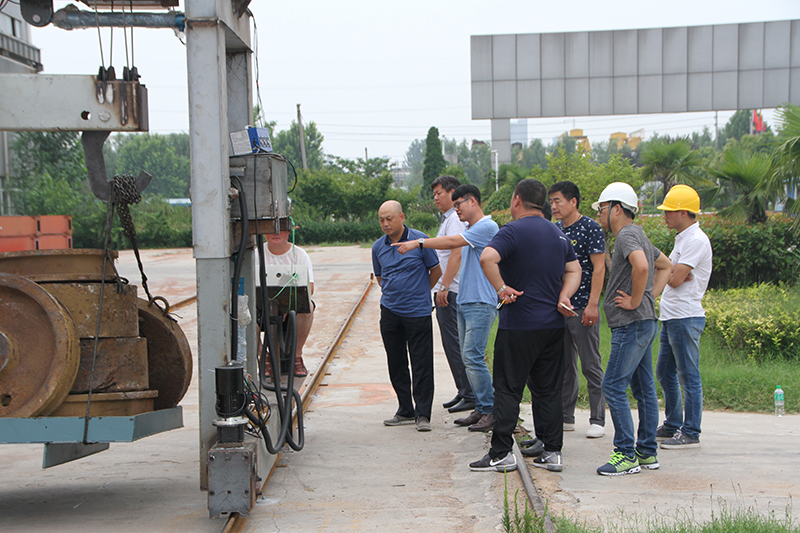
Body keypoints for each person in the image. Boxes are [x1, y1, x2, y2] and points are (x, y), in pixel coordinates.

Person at [469, 179, 581, 473]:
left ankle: (501, 453)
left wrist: (501, 288)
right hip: (553, 326)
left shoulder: (512, 231)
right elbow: (574, 268)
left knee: (508, 389)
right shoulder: (558, 234)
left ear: (516, 200)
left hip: (519, 324)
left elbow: (487, 257)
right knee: (549, 390)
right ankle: (552, 452)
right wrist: (564, 295)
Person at [394, 184, 498, 433]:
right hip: (465, 299)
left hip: (481, 302)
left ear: (473, 201)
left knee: (472, 356)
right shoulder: (471, 229)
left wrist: (418, 243)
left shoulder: (486, 226)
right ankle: (481, 407)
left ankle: (491, 409)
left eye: (458, 204)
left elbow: (452, 242)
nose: (456, 208)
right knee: (467, 356)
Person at [591, 182, 672, 476]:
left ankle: (625, 454)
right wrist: (649, 298)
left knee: (612, 385)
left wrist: (637, 300)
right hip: (643, 322)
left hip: (632, 324)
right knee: (644, 389)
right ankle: (647, 452)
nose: (599, 214)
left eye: (601, 208)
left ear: (616, 208)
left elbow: (643, 267)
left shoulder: (626, 235)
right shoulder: (638, 234)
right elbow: (666, 265)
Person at [372, 200, 442, 432]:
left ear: (401, 217)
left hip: (417, 312)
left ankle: (423, 414)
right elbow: (380, 277)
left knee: (421, 363)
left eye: (389, 218)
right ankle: (405, 409)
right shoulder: (378, 247)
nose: (385, 224)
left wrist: (420, 292)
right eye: (381, 220)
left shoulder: (420, 241)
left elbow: (436, 270)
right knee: (396, 362)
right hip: (390, 311)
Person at [655, 185, 713, 450]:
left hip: (685, 317)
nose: (664, 216)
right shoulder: (683, 238)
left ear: (683, 212)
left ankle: (691, 431)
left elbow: (675, 279)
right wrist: (673, 270)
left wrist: (670, 271)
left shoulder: (696, 240)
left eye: (668, 211)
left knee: (688, 375)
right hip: (671, 316)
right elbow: (673, 272)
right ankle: (673, 423)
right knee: (664, 372)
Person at [549, 181, 607, 439]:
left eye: (558, 200)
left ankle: (598, 418)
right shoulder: (556, 229)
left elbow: (599, 268)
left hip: (583, 305)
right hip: (561, 307)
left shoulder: (590, 227)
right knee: (564, 365)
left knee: (590, 363)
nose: (553, 206)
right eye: (551, 201)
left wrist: (593, 304)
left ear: (573, 201)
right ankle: (566, 416)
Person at [429, 175, 475, 414]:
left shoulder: (455, 220)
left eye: (439, 193)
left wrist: (444, 286)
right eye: (434, 194)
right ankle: (463, 390)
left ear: (452, 192)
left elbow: (456, 254)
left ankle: (470, 393)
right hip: (447, 290)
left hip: (452, 291)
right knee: (450, 344)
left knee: (456, 344)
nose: (436, 198)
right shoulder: (448, 219)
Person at [262, 228, 315, 378]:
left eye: (281, 229)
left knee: (309, 307)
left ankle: (297, 355)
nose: (276, 233)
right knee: (243, 315)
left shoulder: (300, 255)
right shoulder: (256, 254)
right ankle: (263, 356)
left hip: (292, 306)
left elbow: (310, 287)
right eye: (271, 229)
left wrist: (287, 304)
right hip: (263, 305)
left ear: (288, 232)